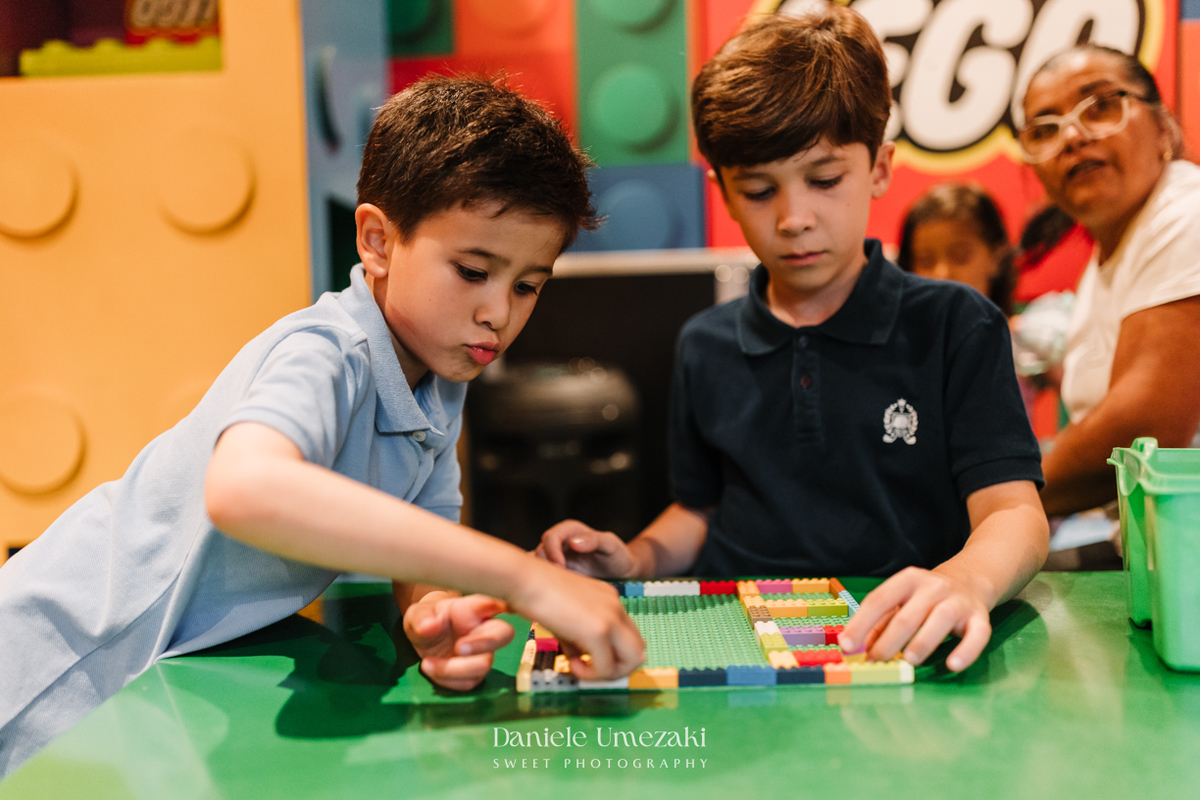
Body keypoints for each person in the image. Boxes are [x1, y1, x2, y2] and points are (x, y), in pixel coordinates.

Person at [0, 76, 645, 776]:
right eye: (471, 270)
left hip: (147, 684)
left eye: (526, 285)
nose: (499, 312)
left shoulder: (436, 379)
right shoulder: (327, 351)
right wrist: (528, 581)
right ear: (377, 241)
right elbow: (247, 491)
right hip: (59, 657)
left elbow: (424, 549)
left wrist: (434, 620)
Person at [538, 8, 1048, 674]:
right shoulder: (705, 343)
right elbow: (698, 509)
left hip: (898, 639)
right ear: (723, 191)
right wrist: (634, 557)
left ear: (880, 168)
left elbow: (1015, 512)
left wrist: (968, 580)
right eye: (758, 190)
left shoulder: (956, 324)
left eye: (825, 179)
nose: (794, 218)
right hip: (737, 642)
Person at [1017, 45, 1200, 517]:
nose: (1073, 136)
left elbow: (1143, 431)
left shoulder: (1187, 213)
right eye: (1045, 129)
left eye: (1101, 106)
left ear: (1163, 125)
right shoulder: (1104, 262)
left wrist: (999, 504)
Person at [897, 183, 1017, 315]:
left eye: (960, 257)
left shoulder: (1030, 330)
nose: (942, 274)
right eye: (926, 262)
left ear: (996, 256)